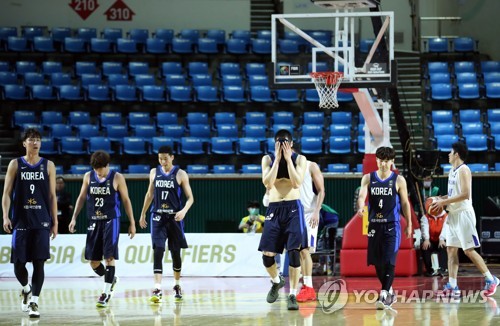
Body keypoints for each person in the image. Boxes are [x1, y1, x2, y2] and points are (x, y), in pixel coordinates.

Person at [2, 128, 58, 319]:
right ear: (24, 143)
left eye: (38, 139)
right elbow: (6, 194)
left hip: (41, 220)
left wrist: (55, 221)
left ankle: (34, 300)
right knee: (18, 264)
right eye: (31, 139)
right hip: (20, 220)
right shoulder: (15, 164)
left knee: (39, 263)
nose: (35, 142)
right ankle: (26, 289)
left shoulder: (48, 165)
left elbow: (52, 195)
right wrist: (5, 216)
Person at [68, 150, 136, 307]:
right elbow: (81, 198)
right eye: (95, 168)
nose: (98, 172)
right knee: (93, 261)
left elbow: (126, 200)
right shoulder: (88, 177)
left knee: (109, 257)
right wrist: (74, 218)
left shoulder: (117, 177)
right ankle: (110, 278)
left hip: (111, 220)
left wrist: (132, 222)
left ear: (107, 165)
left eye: (101, 168)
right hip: (93, 220)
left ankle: (105, 293)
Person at [431, 142, 499, 297]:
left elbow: (465, 194)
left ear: (456, 155)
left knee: (468, 250)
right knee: (451, 249)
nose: (448, 155)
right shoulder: (451, 172)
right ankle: (453, 286)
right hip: (453, 214)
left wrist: (443, 202)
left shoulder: (464, 170)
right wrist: (440, 199)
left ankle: (491, 279)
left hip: (463, 214)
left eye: (450, 152)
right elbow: (454, 194)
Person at [356, 146, 412, 310]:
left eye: (387, 161)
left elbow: (404, 203)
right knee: (377, 263)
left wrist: (408, 224)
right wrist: (360, 207)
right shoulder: (368, 178)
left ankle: (384, 294)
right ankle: (390, 291)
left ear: (392, 161)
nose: (383, 164)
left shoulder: (399, 180)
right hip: (374, 224)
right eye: (381, 160)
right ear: (377, 160)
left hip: (391, 225)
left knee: (389, 260)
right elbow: (361, 196)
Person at [259, 129, 307, 311]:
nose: (281, 146)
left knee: (293, 252)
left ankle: (292, 294)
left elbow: (296, 183)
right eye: (278, 143)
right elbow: (267, 183)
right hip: (274, 208)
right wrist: (278, 160)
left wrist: (287, 160)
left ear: (291, 144)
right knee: (267, 256)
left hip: (293, 207)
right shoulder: (268, 159)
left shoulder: (299, 159)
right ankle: (276, 281)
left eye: (285, 143)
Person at [139, 146, 194, 303]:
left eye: (165, 158)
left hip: (174, 218)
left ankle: (177, 284)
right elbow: (149, 194)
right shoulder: (153, 172)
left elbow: (190, 198)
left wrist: (183, 211)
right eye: (160, 158)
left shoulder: (181, 174)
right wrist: (143, 213)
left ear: (172, 157)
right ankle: (157, 288)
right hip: (157, 216)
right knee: (158, 250)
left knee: (175, 253)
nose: (162, 161)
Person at [296, 159, 325, 302]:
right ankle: (305, 286)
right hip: (292, 213)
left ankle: (309, 287)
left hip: (309, 213)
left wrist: (317, 211)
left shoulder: (311, 165)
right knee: (296, 251)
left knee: (305, 250)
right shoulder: (283, 165)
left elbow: (321, 190)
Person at [420, 208, 448, 276]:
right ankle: (429, 270)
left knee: (443, 246)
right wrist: (426, 239)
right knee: (425, 247)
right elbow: (424, 228)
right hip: (431, 240)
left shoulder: (446, 216)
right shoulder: (425, 217)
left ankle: (442, 269)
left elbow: (446, 228)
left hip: (441, 240)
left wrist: (442, 239)